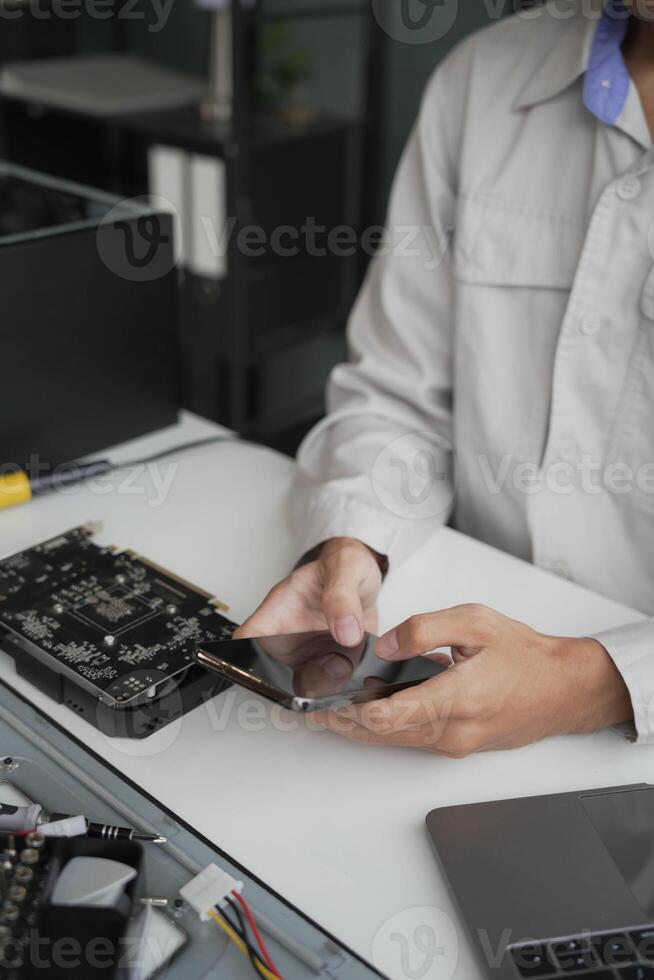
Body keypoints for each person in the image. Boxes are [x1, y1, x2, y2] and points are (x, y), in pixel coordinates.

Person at [236, 0, 654, 755]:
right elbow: (396, 392)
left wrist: (602, 680)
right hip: (452, 650)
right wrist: (357, 540)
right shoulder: (484, 76)